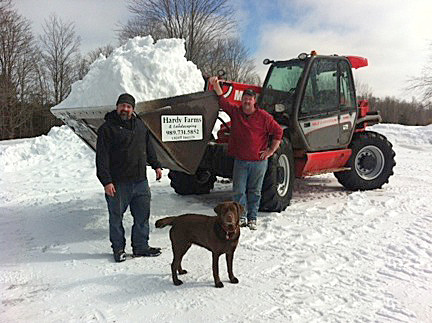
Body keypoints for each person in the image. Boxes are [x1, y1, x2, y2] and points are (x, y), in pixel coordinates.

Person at [209, 77, 283, 230]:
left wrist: (270, 151)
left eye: (250, 99)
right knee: (238, 191)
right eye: (245, 99)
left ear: (254, 101)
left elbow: (278, 132)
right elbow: (222, 101)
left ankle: (252, 218)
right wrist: (215, 85)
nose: (247, 102)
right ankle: (241, 218)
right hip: (241, 161)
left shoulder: (264, 117)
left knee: (255, 192)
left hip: (259, 162)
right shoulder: (236, 113)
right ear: (241, 100)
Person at [96, 93, 163, 262]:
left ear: (133, 109)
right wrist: (106, 181)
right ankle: (118, 249)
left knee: (142, 217)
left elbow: (149, 147)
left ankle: (141, 247)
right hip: (118, 184)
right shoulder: (107, 129)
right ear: (117, 107)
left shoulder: (140, 126)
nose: (125, 109)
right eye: (122, 106)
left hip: (140, 181)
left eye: (128, 106)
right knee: (116, 217)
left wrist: (156, 165)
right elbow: (101, 158)